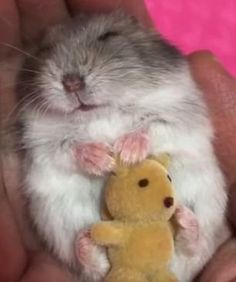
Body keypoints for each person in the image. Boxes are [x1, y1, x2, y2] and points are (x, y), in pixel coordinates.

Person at [0, 1, 235, 281]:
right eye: (48, 51)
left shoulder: (169, 87)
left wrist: (147, 136)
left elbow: (188, 137)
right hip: (95, 238)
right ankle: (93, 263)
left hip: (186, 239)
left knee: (202, 182)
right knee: (47, 192)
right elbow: (47, 164)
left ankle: (191, 244)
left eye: (106, 39)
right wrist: (75, 154)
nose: (71, 80)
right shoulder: (42, 118)